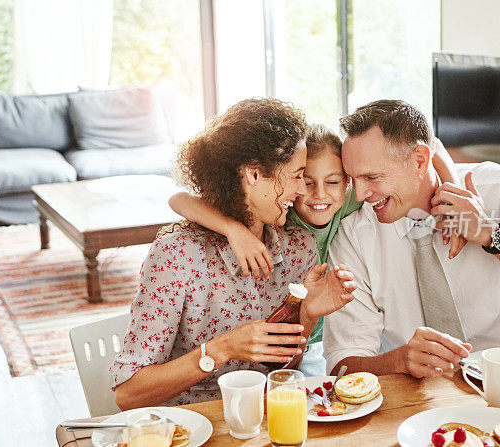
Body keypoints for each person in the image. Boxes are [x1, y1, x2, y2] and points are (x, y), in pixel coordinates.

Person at [323, 99, 500, 379]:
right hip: (417, 401)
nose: (359, 195)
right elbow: (341, 364)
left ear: (420, 160)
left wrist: (492, 235)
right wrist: (399, 361)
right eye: (353, 178)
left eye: (372, 177)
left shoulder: (498, 188)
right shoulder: (354, 236)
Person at [110, 98, 357, 409]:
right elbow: (128, 394)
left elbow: (281, 374)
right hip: (188, 426)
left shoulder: (298, 248)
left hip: (264, 423)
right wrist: (224, 348)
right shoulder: (176, 255)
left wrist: (306, 315)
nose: (301, 190)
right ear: (254, 175)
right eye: (296, 176)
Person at [168, 123, 465, 376]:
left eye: (333, 181)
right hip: (288, 340)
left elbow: (431, 144)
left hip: (328, 338)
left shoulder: (352, 197)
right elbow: (178, 199)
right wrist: (233, 230)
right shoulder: (281, 213)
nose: (319, 195)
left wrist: (456, 194)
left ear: (348, 182)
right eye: (305, 181)